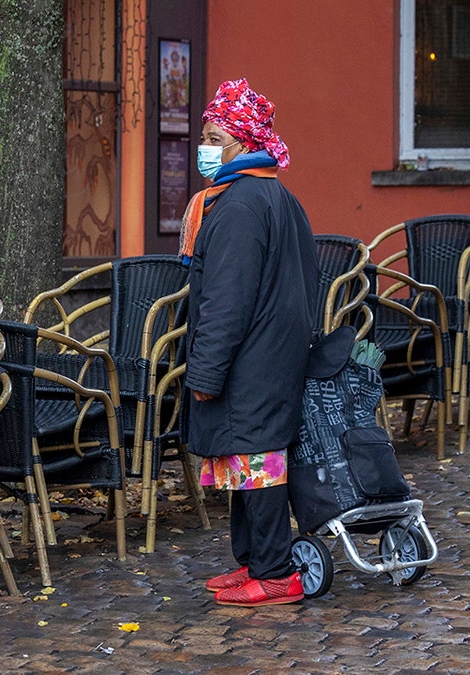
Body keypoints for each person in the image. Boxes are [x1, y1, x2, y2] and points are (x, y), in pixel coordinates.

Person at [179, 78, 319, 607]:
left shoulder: (238, 205)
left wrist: (205, 372)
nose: (206, 147)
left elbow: (225, 301)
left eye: (215, 136)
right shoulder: (275, 194)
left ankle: (276, 572)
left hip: (250, 362)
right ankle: (252, 563)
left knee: (258, 468)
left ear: (242, 143)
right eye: (205, 135)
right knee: (247, 464)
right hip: (272, 356)